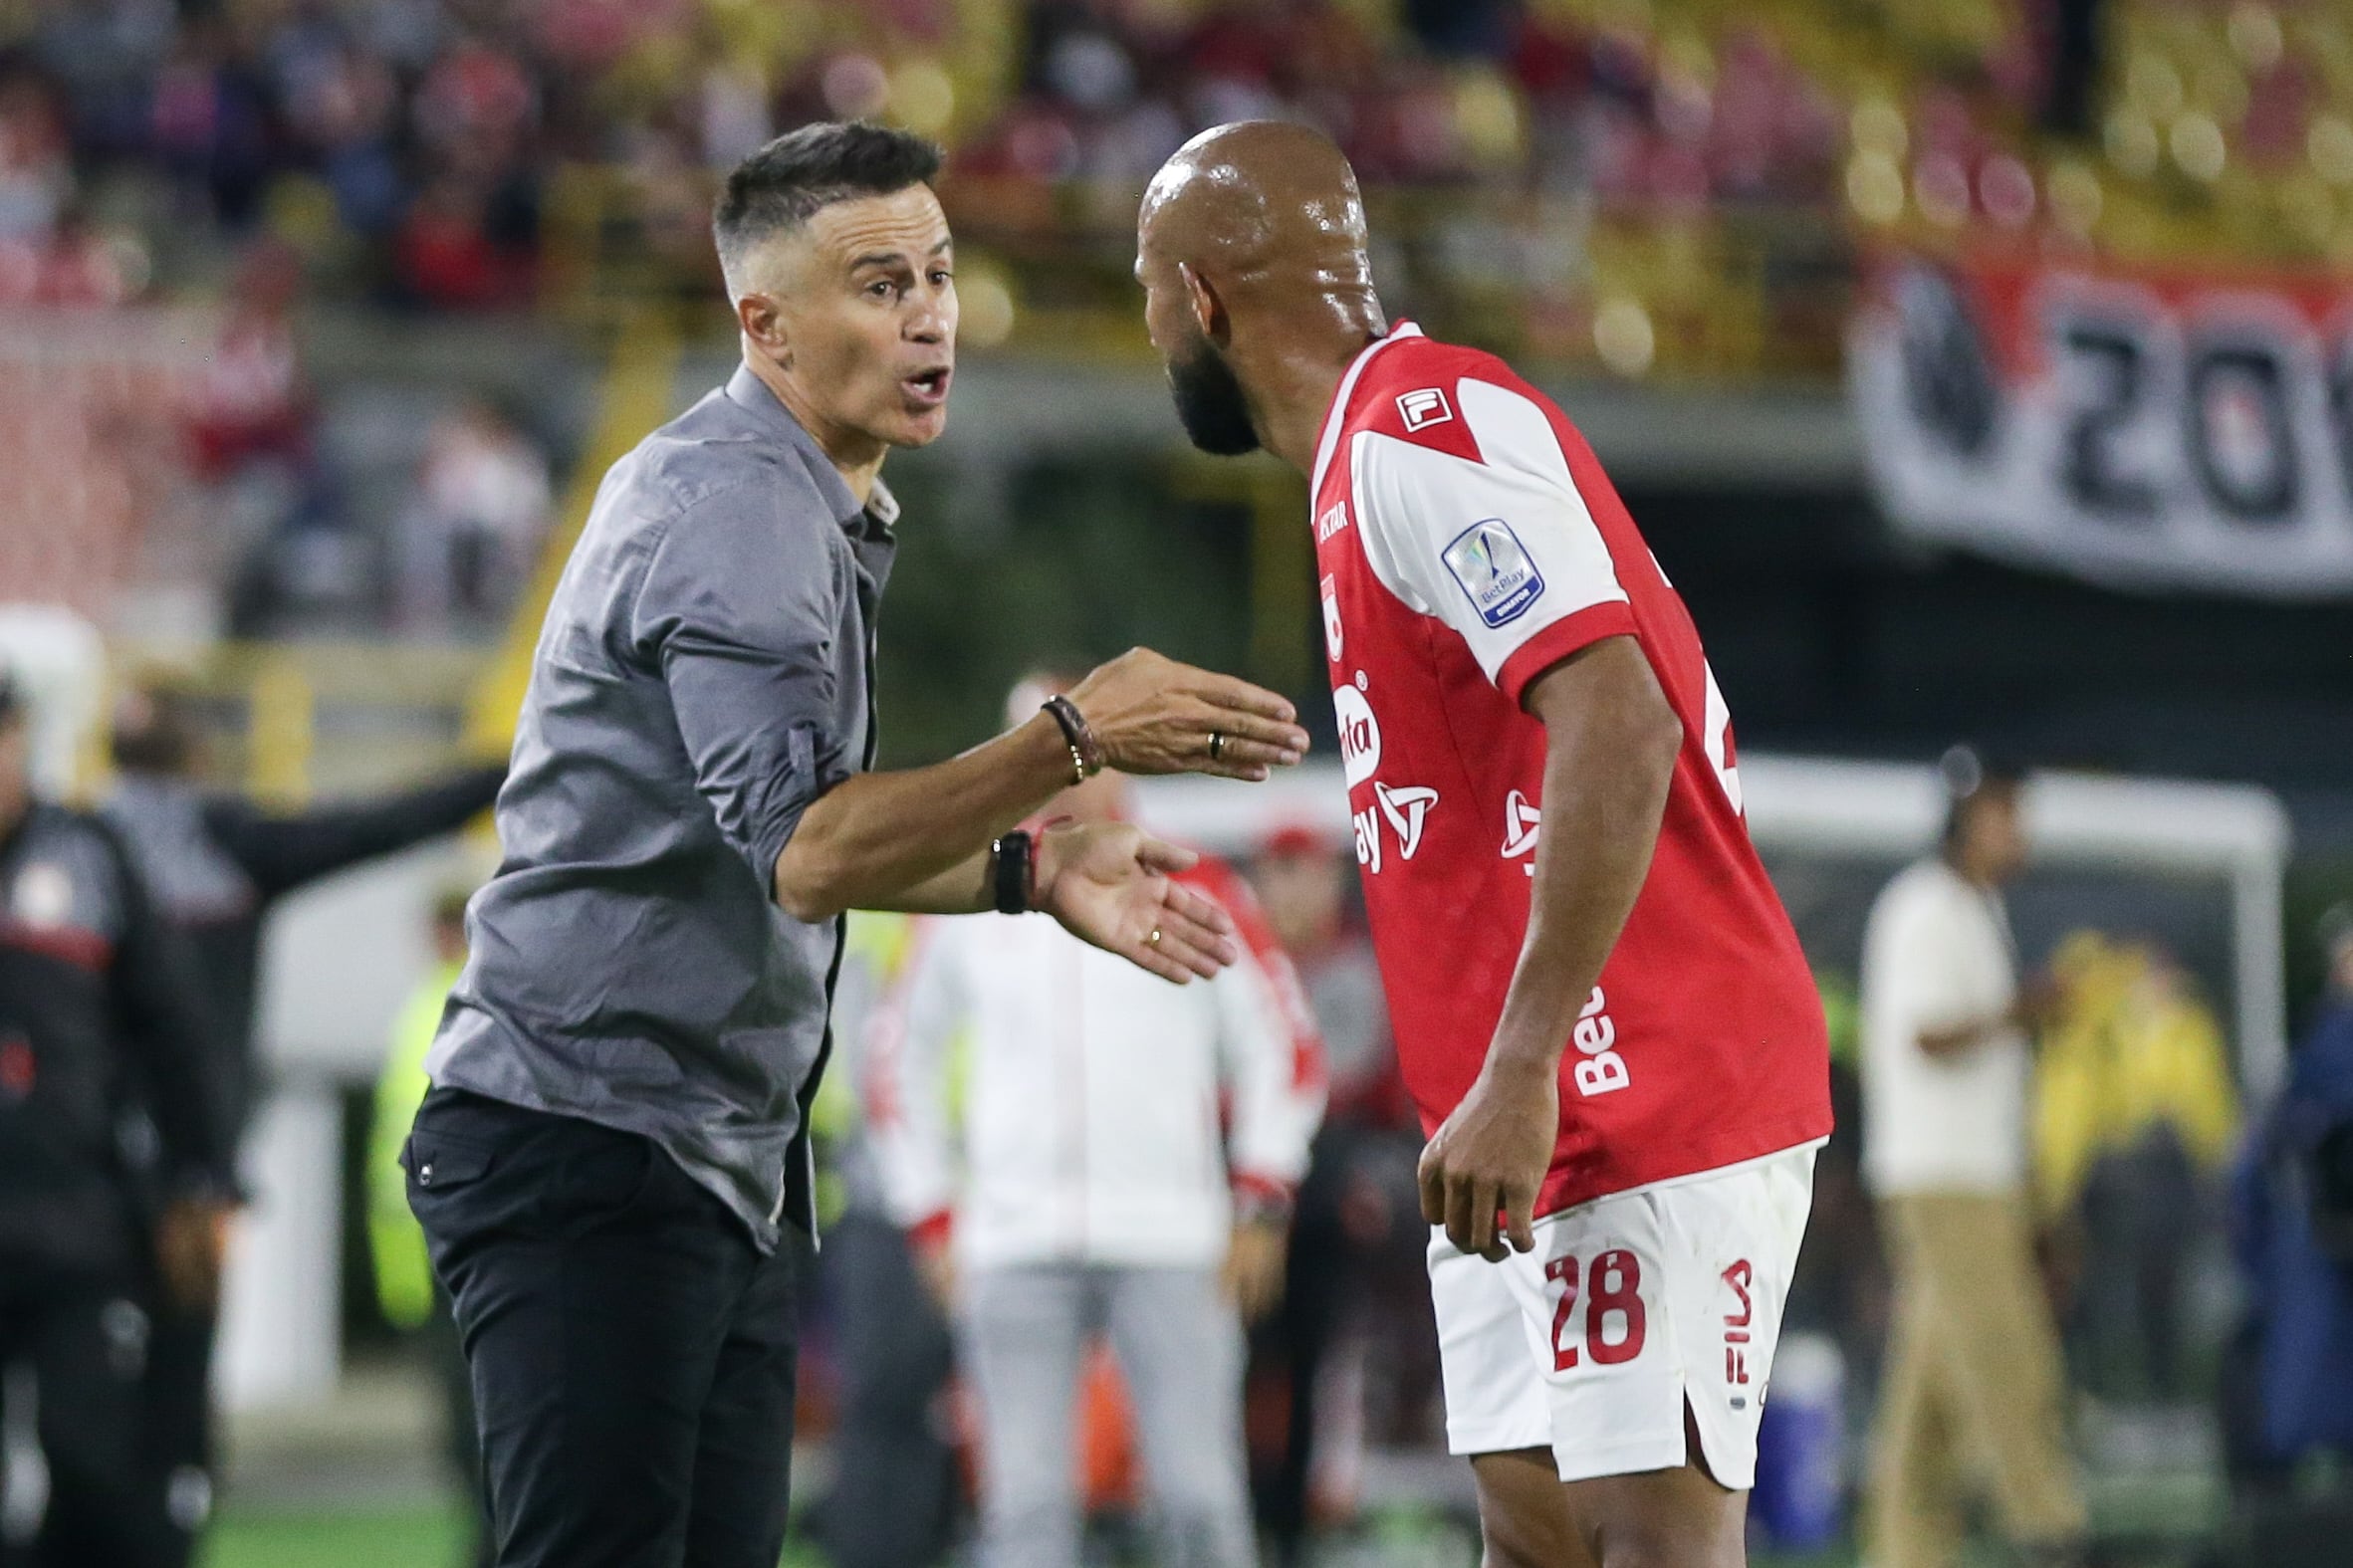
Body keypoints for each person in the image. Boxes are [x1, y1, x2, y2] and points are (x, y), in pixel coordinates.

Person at [407, 120, 1312, 1568]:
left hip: (696, 1152)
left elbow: (795, 844)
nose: (930, 313)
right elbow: (810, 853)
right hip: (588, 1136)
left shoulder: (798, 502)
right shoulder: (742, 514)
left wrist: (1029, 872)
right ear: (761, 323)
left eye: (939, 273)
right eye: (880, 283)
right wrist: (1064, 743)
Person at [1135, 121, 1833, 1568]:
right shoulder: (1359, 466)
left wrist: (1519, 1066)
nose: (1153, 338)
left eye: (1149, 301)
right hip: (1514, 1129)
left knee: (1648, 1545)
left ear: (1201, 298)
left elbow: (1619, 718)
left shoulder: (1416, 427)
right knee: (1528, 1544)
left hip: (1626, 1086)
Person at [869, 675, 1327, 1568]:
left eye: (1072, 749)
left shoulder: (1192, 875)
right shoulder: (975, 892)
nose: (1060, 774)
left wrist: (1262, 1195)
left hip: (1169, 1237)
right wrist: (929, 1210)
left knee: (1199, 1501)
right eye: (1036, 752)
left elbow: (1283, 1046)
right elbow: (897, 1059)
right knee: (1024, 1510)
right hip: (1012, 1241)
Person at [99, 678, 505, 1560]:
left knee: (80, 1415)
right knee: (168, 1413)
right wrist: (518, 760)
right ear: (202, 755)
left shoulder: (73, 845)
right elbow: (383, 823)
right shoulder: (223, 842)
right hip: (186, 1187)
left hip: (68, 1176)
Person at [0, 672, 236, 1567]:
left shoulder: (89, 856)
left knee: (97, 1469)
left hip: (77, 1227)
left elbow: (175, 1033)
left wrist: (201, 1179)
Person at [1858, 748, 2085, 1568]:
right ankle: (2052, 1531)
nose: (2014, 830)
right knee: (2005, 1358)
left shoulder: (1973, 909)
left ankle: (1904, 1553)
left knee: (1924, 1404)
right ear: (1960, 820)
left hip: (1974, 1172)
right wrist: (2022, 1009)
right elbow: (1927, 1034)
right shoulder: (1925, 905)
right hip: (1942, 1174)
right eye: (2000, 812)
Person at [368, 884, 492, 1568]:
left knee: (487, 1433)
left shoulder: (478, 1004)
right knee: (462, 1439)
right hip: (429, 1264)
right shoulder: (427, 1003)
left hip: (467, 1256)